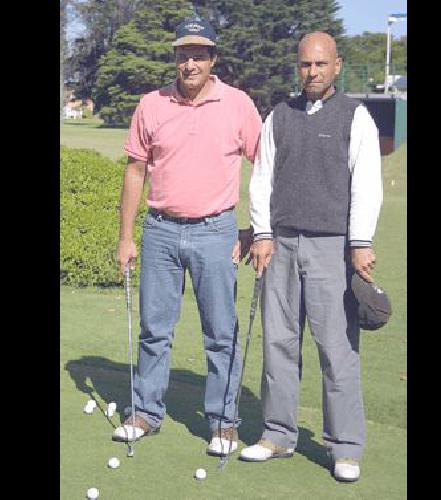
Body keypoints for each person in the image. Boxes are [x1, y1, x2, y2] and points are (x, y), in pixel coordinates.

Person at [113, 16, 262, 458]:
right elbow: (136, 171)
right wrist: (126, 237)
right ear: (175, 58)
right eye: (183, 54)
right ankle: (144, 412)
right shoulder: (151, 104)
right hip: (159, 231)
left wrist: (256, 227)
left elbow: (264, 167)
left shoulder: (237, 104)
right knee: (154, 330)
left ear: (213, 59)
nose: (190, 62)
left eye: (199, 54)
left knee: (221, 332)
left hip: (216, 230)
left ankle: (223, 421)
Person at [238, 32, 383, 483]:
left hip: (331, 247)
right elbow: (261, 179)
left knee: (336, 350)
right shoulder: (279, 115)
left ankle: (345, 447)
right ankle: (277, 434)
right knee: (278, 344)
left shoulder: (355, 116)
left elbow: (367, 184)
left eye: (320, 64)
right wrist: (262, 232)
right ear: (297, 67)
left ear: (337, 66)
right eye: (305, 65)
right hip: (279, 245)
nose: (312, 72)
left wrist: (360, 242)